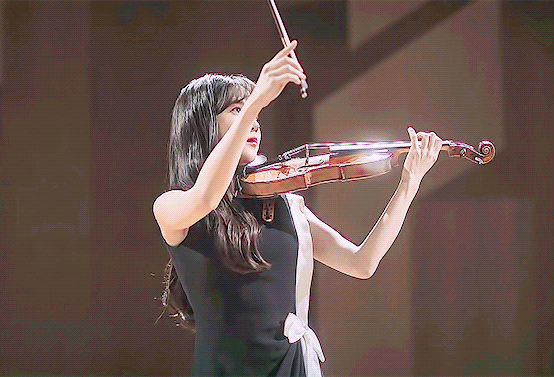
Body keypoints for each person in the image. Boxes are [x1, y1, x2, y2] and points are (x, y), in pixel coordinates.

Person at [153, 40, 443, 376]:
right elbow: (206, 198)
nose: (254, 122)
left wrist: (409, 183)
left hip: (289, 367)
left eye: (254, 114)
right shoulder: (172, 207)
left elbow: (361, 262)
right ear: (203, 125)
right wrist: (257, 100)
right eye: (237, 111)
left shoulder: (285, 204)